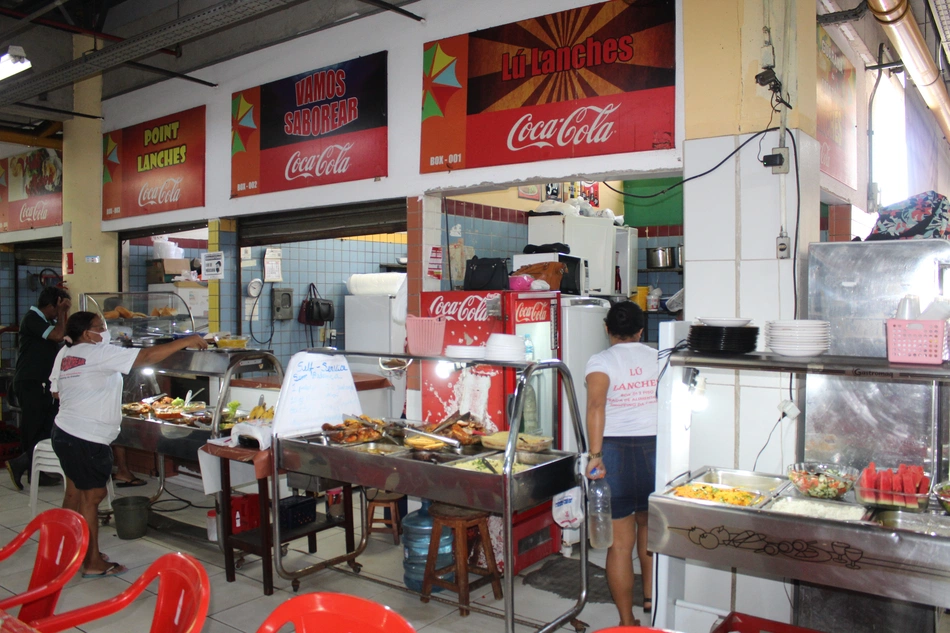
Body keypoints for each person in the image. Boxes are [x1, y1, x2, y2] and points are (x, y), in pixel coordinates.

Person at [49, 311, 208, 577]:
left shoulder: (66, 353)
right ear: (88, 334)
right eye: (100, 327)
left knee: (74, 493)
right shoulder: (98, 352)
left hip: (65, 432)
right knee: (93, 498)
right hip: (87, 437)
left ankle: (69, 553)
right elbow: (145, 358)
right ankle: (91, 563)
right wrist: (187, 340)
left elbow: (56, 390)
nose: (105, 331)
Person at [585, 301, 658, 627]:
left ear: (607, 329)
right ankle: (651, 600)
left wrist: (595, 456)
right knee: (650, 532)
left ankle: (626, 621)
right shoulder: (658, 356)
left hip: (614, 453)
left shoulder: (601, 360)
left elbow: (596, 405)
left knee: (619, 545)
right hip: (655, 451)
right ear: (642, 330)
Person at [6, 286, 71, 490]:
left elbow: (64, 333)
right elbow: (58, 335)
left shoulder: (46, 321)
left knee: (46, 426)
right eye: (61, 307)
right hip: (31, 382)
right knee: (33, 428)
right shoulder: (33, 318)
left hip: (42, 383)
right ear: (52, 305)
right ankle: (26, 469)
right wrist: (62, 314)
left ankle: (31, 468)